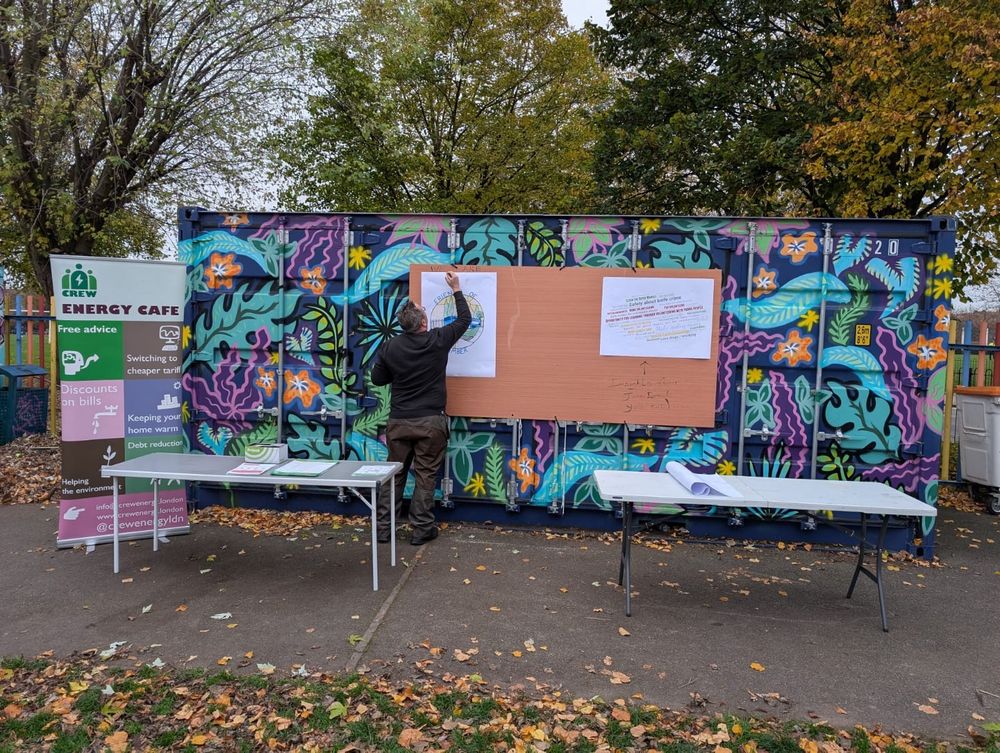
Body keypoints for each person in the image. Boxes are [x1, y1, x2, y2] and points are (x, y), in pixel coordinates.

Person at [370, 271, 471, 545]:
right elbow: (465, 320)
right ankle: (421, 529)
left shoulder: (390, 347)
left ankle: (382, 530)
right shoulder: (437, 340)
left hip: (399, 422)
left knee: (395, 474)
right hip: (430, 423)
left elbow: (378, 378)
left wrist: (399, 372)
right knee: (425, 476)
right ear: (424, 322)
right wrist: (456, 289)